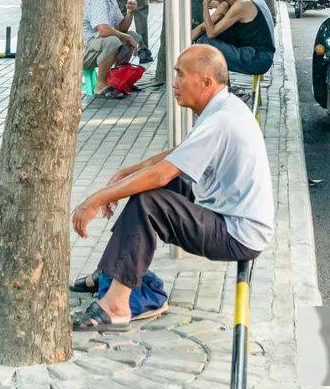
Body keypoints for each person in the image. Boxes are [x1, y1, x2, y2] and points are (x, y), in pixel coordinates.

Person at [69, 44, 273, 331]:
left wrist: (96, 199)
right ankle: (110, 274)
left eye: (180, 75)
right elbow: (177, 155)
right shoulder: (223, 107)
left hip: (237, 234)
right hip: (226, 212)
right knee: (150, 188)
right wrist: (125, 174)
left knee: (150, 203)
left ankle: (116, 306)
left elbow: (160, 175)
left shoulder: (221, 120)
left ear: (206, 82)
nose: (174, 83)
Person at [191, 0, 275, 75]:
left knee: (204, 43)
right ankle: (220, 86)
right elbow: (205, 27)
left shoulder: (242, 4)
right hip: (247, 51)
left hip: (259, 58)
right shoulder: (227, 4)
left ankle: (217, 86)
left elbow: (211, 33)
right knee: (204, 38)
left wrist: (205, 5)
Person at [83, 0, 139, 98]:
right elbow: (103, 30)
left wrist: (130, 12)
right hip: (84, 50)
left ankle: (117, 78)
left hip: (97, 46)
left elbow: (122, 28)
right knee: (113, 41)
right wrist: (127, 38)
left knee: (133, 35)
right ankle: (100, 86)